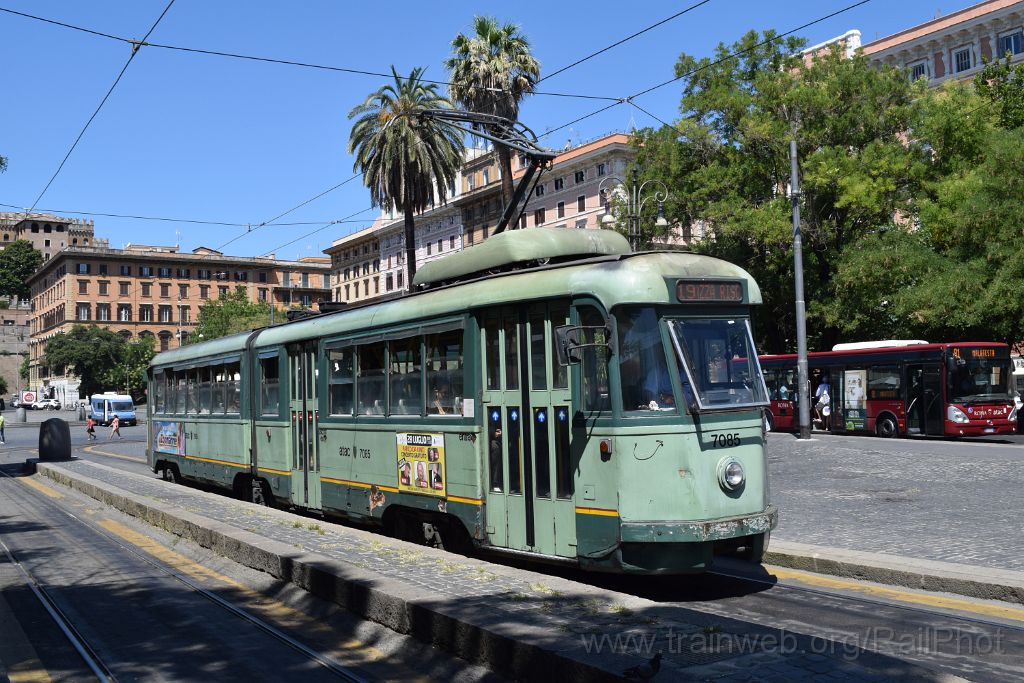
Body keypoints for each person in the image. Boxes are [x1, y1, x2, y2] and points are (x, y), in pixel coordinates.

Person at [489, 427, 503, 492]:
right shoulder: (494, 445)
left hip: (494, 441)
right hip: (493, 443)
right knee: (496, 465)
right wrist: (495, 434)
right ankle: (495, 484)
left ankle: (495, 483)